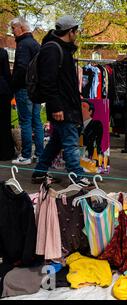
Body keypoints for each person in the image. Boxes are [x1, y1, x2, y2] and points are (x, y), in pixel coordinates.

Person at [31, 16, 90, 186]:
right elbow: (47, 82)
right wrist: (56, 107)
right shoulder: (53, 49)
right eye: (76, 31)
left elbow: (63, 80)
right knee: (70, 143)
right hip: (62, 107)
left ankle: (39, 172)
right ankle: (77, 177)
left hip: (67, 105)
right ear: (70, 31)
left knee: (56, 142)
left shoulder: (62, 49)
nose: (76, 34)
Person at [10, 17, 44, 165]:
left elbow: (22, 68)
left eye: (13, 28)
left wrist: (13, 84)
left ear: (21, 28)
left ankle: (25, 155)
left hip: (24, 88)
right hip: (35, 89)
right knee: (37, 121)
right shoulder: (35, 44)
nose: (12, 32)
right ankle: (39, 154)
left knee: (25, 122)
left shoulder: (23, 45)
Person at [0, 48, 16, 161]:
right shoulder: (2, 52)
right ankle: (5, 152)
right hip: (3, 91)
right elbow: (6, 73)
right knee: (4, 122)